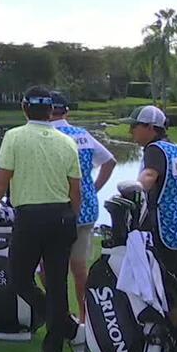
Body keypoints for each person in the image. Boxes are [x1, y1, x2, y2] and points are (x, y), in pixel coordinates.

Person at [0, 86, 84, 352]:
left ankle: (60, 341)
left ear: (24, 108)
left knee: (20, 279)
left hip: (30, 218)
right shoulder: (67, 142)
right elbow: (76, 192)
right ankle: (65, 336)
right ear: (50, 111)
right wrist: (71, 218)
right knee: (57, 285)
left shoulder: (14, 137)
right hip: (62, 217)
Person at [49, 91, 116, 323]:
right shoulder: (83, 135)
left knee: (47, 269)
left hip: (55, 210)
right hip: (86, 210)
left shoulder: (45, 134)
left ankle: (61, 316)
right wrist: (93, 189)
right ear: (66, 111)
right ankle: (85, 319)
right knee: (79, 268)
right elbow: (110, 161)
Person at [127, 105, 177, 286]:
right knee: (175, 283)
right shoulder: (176, 149)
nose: (131, 132)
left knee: (159, 285)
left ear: (150, 128)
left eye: (135, 126)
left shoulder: (154, 149)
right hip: (176, 226)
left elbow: (149, 176)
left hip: (159, 228)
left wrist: (129, 192)